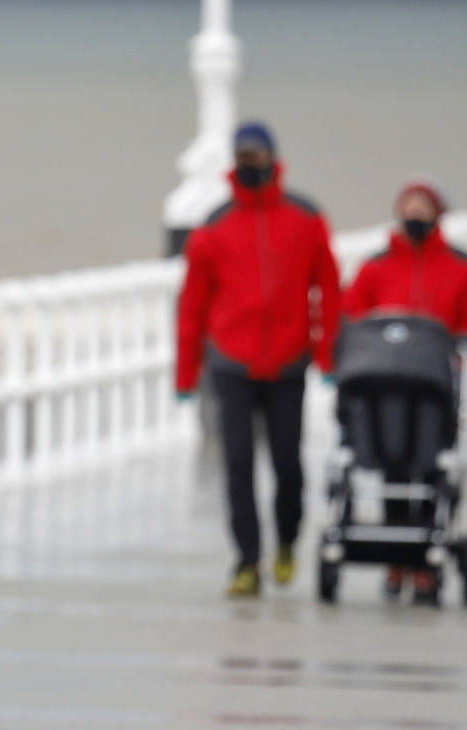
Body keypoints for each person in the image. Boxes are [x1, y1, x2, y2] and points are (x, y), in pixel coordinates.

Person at [175, 121, 342, 598]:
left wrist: (327, 352)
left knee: (288, 465)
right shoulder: (213, 226)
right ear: (234, 163)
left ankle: (287, 540)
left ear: (273, 159)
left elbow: (328, 289)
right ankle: (247, 561)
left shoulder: (306, 218)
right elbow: (192, 306)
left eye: (257, 157)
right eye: (243, 158)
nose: (251, 165)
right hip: (231, 364)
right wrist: (186, 374)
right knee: (239, 465)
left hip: (289, 363)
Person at [343, 176, 467, 603]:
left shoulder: (458, 265)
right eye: (407, 207)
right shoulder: (376, 266)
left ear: (437, 214)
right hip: (384, 388)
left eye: (421, 208)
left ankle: (424, 558)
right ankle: (396, 555)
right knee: (391, 465)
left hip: (435, 387)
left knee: (431, 470)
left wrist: (465, 341)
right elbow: (351, 313)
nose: (413, 215)